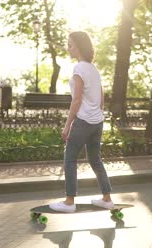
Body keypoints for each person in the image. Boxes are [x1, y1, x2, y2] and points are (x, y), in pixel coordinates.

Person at [49, 31, 113, 213]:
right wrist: (97, 114)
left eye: (70, 45)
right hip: (97, 122)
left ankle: (69, 202)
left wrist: (67, 125)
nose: (68, 48)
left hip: (83, 121)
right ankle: (107, 198)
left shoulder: (79, 69)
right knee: (95, 159)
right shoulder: (94, 69)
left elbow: (76, 100)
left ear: (78, 46)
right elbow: (101, 96)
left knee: (70, 158)